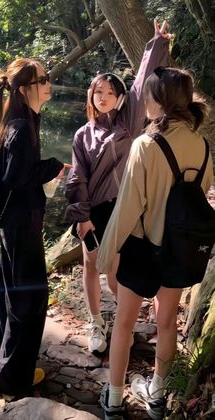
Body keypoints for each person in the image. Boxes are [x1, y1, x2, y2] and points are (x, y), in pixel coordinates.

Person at [97, 66, 213, 419]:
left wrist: (105, 257)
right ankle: (158, 398)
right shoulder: (202, 144)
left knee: (124, 324)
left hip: (142, 247)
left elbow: (127, 207)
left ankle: (114, 400)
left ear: (160, 101)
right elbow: (201, 194)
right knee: (166, 324)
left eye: (148, 95)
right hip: (180, 249)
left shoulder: (145, 145)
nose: (143, 100)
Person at [65, 20, 171, 354]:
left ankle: (125, 319)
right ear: (91, 95)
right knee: (91, 264)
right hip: (93, 209)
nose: (104, 97)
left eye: (111, 93)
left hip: (124, 206)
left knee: (118, 270)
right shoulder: (83, 134)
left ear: (121, 98)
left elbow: (141, 83)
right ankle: (96, 323)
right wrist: (81, 216)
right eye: (99, 92)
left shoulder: (129, 121)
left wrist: (156, 43)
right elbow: (76, 176)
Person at [0, 58, 65, 396]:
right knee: (30, 299)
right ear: (24, 89)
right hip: (21, 225)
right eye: (42, 79)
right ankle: (12, 379)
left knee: (12, 289)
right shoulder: (21, 126)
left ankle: (4, 355)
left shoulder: (23, 119)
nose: (49, 83)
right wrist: (53, 166)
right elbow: (16, 176)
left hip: (15, 224)